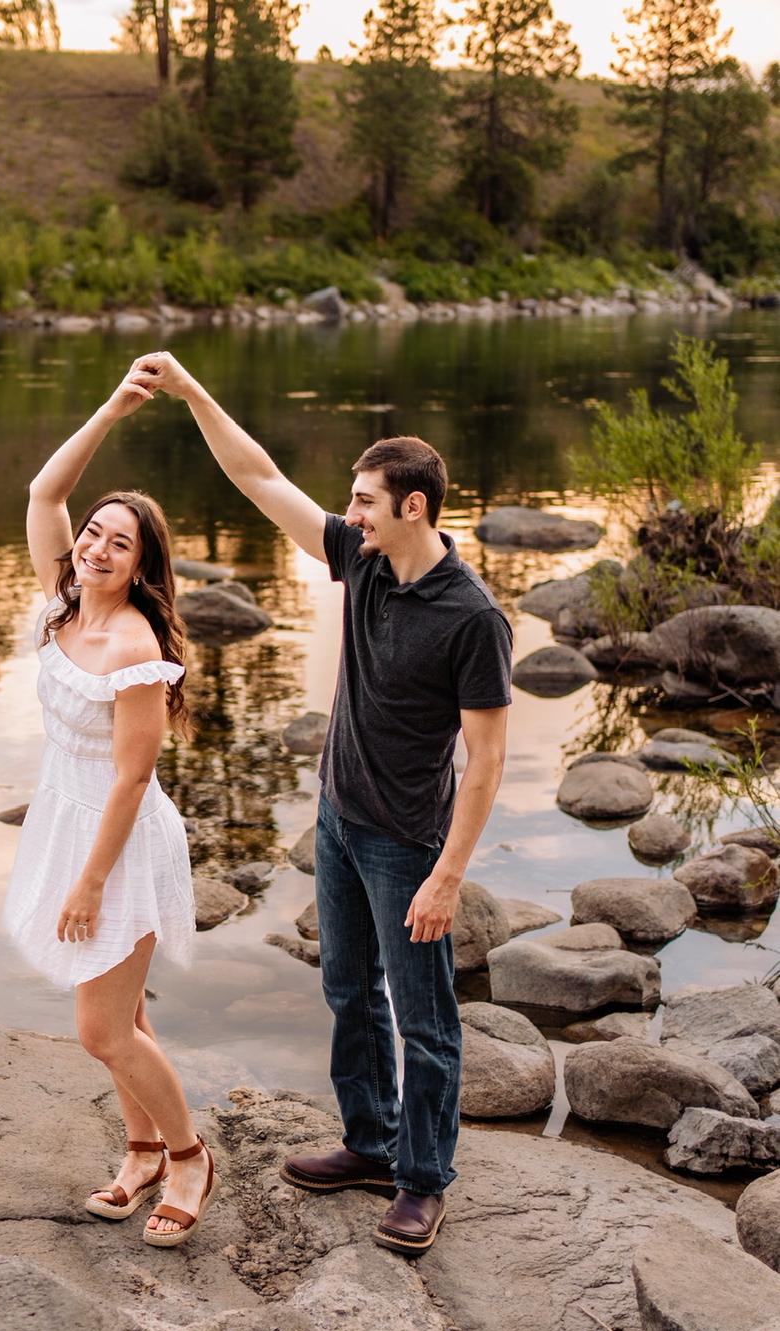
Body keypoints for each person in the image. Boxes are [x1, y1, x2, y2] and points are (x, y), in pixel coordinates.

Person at [129, 351, 512, 1257]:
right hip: (338, 820)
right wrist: (192, 390)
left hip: (408, 843)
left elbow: (488, 761)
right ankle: (371, 1144)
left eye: (365, 499)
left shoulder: (473, 617)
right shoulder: (364, 558)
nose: (350, 512)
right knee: (347, 989)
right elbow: (260, 478)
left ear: (413, 507)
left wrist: (448, 875)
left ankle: (423, 1181)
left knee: (425, 1021)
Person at [2, 362, 216, 1247]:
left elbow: (131, 779)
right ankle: (141, 1150)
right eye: (93, 533)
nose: (95, 547)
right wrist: (113, 409)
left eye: (119, 544)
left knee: (100, 1031)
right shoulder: (62, 607)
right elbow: (43, 490)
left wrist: (89, 883)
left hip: (118, 840)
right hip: (68, 817)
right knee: (123, 1016)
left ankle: (190, 1156)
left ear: (141, 566)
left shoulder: (133, 647)